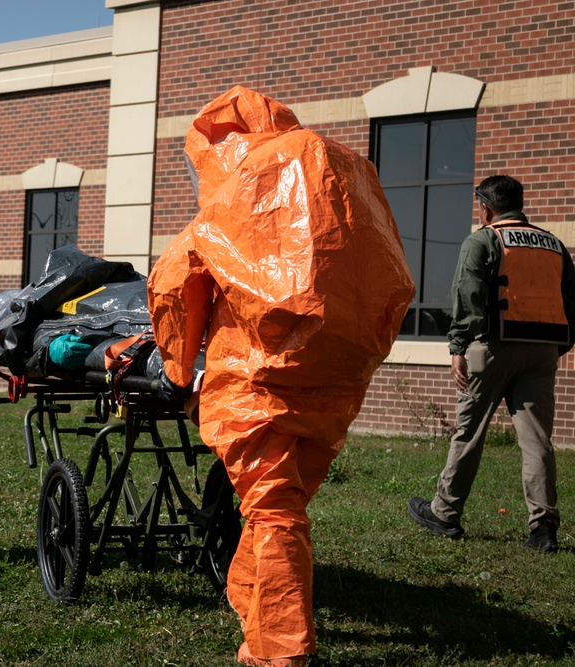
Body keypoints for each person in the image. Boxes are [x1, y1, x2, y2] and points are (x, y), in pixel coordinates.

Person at [147, 86, 414, 666]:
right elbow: (392, 272)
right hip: (339, 376)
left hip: (256, 372)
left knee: (273, 510)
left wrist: (177, 364)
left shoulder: (242, 176)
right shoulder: (348, 167)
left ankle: (279, 651)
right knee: (282, 502)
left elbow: (178, 281)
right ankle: (250, 605)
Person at [408, 175, 575, 555]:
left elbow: (468, 296)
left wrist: (458, 346)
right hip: (543, 351)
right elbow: (571, 300)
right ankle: (544, 527)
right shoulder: (554, 245)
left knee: (469, 432)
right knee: (537, 442)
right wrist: (560, 345)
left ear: (486, 206)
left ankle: (445, 513)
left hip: (493, 348)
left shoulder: (483, 240)